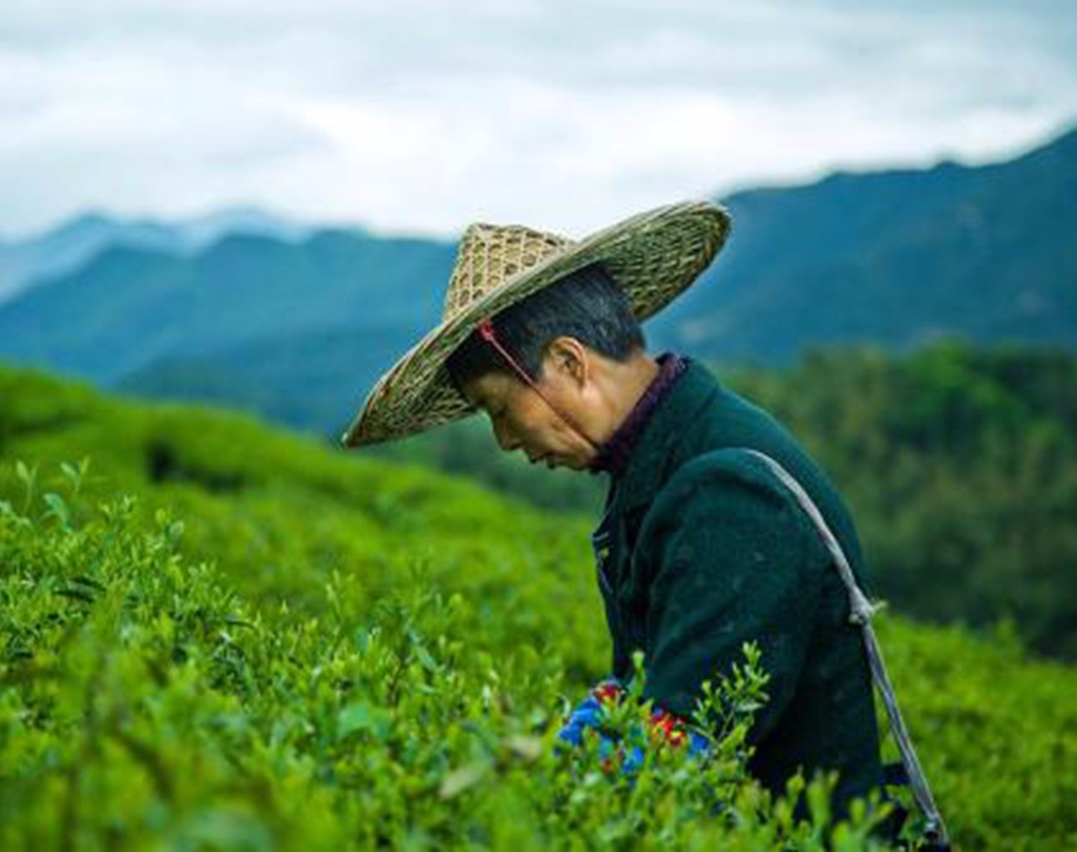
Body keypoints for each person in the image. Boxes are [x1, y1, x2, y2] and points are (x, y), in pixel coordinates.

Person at [341, 201, 887, 825]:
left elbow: (676, 758)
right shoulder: (660, 462)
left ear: (570, 363)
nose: (504, 441)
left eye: (497, 407)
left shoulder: (728, 491)